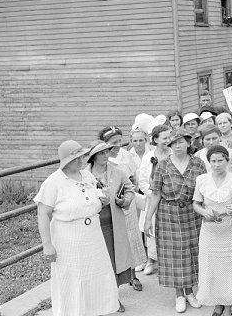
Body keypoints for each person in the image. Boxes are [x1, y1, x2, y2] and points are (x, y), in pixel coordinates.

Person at [34, 140, 123, 315]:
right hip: (68, 238)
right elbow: (42, 214)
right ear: (65, 160)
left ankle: (96, 311)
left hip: (93, 235)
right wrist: (47, 244)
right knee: (71, 279)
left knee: (95, 277)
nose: (81, 161)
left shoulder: (88, 176)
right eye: (76, 158)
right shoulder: (53, 183)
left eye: (82, 157)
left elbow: (94, 199)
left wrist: (103, 201)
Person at [144, 128, 207, 313]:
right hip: (168, 214)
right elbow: (155, 193)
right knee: (173, 256)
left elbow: (204, 190)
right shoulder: (162, 165)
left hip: (192, 213)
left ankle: (190, 292)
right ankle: (179, 294)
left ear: (189, 143)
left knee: (190, 253)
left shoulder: (198, 164)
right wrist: (148, 218)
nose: (177, 146)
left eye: (180, 142)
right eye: (173, 143)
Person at [193, 145, 232, 316]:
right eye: (213, 161)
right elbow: (196, 203)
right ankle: (216, 304)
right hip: (210, 231)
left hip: (230, 230)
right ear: (209, 162)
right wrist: (204, 211)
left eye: (221, 160)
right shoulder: (202, 180)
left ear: (227, 160)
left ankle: (228, 307)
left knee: (230, 268)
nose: (217, 164)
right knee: (211, 268)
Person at [85, 140, 144, 293]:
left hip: (113, 222)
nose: (106, 155)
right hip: (92, 222)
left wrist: (124, 200)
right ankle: (99, 295)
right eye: (102, 153)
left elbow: (130, 188)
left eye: (107, 152)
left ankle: (113, 295)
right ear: (93, 156)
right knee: (97, 259)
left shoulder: (116, 171)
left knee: (113, 257)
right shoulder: (84, 175)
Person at [98, 128, 147, 292]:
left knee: (131, 238)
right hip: (109, 209)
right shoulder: (100, 161)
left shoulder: (127, 157)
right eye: (114, 142)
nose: (118, 145)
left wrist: (126, 197)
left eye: (120, 141)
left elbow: (133, 181)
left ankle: (133, 275)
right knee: (114, 242)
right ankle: (113, 282)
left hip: (127, 204)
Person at [138, 125, 172, 276]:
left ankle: (168, 262)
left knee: (169, 231)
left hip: (170, 200)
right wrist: (152, 195)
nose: (168, 140)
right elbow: (142, 181)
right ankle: (152, 260)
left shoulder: (174, 154)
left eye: (169, 137)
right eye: (164, 138)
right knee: (152, 231)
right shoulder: (148, 157)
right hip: (152, 199)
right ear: (156, 139)